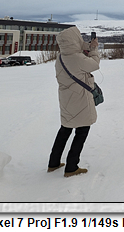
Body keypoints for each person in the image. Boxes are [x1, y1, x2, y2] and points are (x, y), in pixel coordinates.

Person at [47, 26, 100, 177]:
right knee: (82, 130)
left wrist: (87, 46)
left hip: (66, 98)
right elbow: (94, 64)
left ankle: (53, 163)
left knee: (65, 129)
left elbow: (77, 54)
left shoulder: (61, 57)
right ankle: (71, 167)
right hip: (80, 99)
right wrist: (94, 49)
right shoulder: (77, 58)